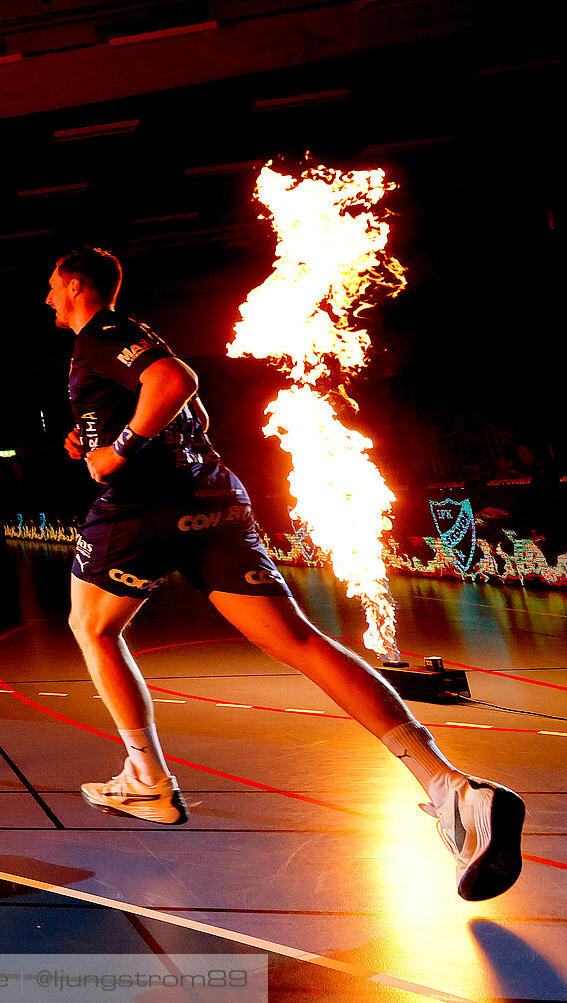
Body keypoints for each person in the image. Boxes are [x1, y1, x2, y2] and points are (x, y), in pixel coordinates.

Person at [46, 246, 523, 901]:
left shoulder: (101, 336)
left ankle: (147, 776)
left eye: (51, 285)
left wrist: (119, 450)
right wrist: (94, 434)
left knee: (90, 625)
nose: (46, 297)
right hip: (213, 496)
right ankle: (452, 788)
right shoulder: (127, 341)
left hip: (143, 508)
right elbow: (194, 412)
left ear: (75, 285)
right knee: (299, 641)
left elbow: (174, 383)